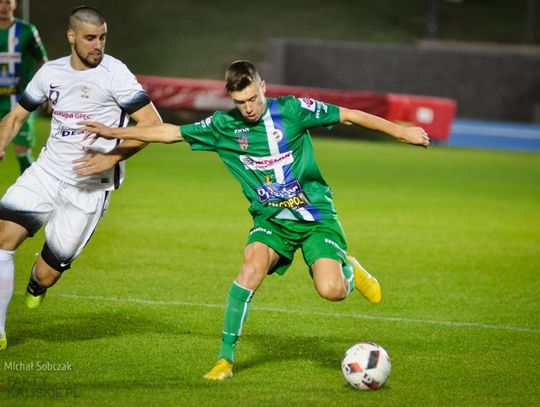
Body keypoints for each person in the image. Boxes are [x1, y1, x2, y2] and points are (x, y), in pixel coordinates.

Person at [80, 60, 430, 380]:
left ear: (263, 87)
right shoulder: (223, 126)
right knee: (250, 270)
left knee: (332, 291)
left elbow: (351, 115)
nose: (247, 108)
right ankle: (224, 361)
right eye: (240, 102)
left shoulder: (294, 110)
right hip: (271, 221)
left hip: (314, 218)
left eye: (251, 98)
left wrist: (401, 132)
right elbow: (170, 132)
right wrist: (116, 135)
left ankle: (349, 270)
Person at [0, 6, 162, 351]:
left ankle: (36, 285)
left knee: (48, 274)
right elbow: (16, 115)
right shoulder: (51, 73)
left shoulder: (115, 73)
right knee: (2, 239)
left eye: (102, 37)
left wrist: (112, 156)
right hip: (45, 173)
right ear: (71, 37)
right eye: (90, 38)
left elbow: (151, 125)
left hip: (89, 190)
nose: (98, 45)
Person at [0, 0, 48, 174]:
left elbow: (42, 60)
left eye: (7, 2)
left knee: (23, 155)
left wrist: (47, 89)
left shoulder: (27, 31)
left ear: (14, 4)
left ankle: (31, 196)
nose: (3, 6)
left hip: (20, 103)